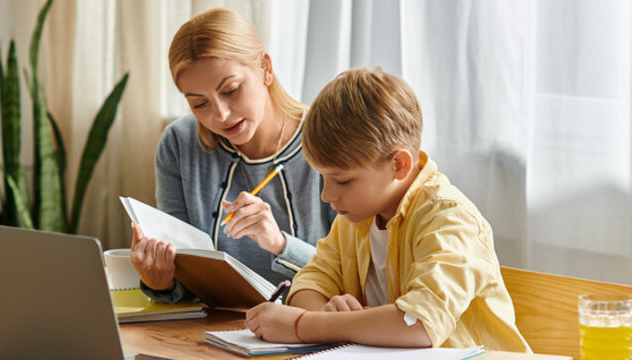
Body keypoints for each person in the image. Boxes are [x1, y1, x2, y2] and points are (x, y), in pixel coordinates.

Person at [243, 68, 531, 351]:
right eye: (323, 177)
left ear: (399, 165)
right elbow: (310, 281)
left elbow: (419, 323)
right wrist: (324, 313)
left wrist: (305, 325)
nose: (326, 194)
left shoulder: (451, 220)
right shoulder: (354, 220)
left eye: (342, 180)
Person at [129, 8, 336, 304]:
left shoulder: (328, 137)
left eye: (231, 90)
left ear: (265, 68)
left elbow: (353, 278)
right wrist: (160, 281)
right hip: (210, 332)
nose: (221, 115)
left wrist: (279, 244)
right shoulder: (178, 144)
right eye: (200, 104)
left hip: (307, 331)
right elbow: (184, 277)